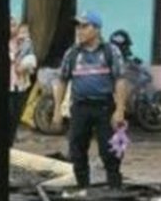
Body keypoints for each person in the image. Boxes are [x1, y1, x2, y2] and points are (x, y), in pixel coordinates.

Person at [51, 10, 129, 189]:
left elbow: (120, 80)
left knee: (111, 151)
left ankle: (114, 189)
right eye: (78, 26)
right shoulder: (72, 54)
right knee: (77, 150)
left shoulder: (111, 51)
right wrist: (57, 110)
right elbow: (62, 81)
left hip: (105, 107)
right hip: (80, 108)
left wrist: (120, 110)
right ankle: (83, 189)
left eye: (84, 26)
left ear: (97, 29)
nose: (79, 30)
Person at [11, 20, 37, 140]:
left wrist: (24, 66)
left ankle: (12, 135)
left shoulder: (24, 43)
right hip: (8, 85)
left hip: (20, 84)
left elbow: (31, 61)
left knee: (16, 112)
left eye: (15, 25)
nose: (14, 29)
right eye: (11, 25)